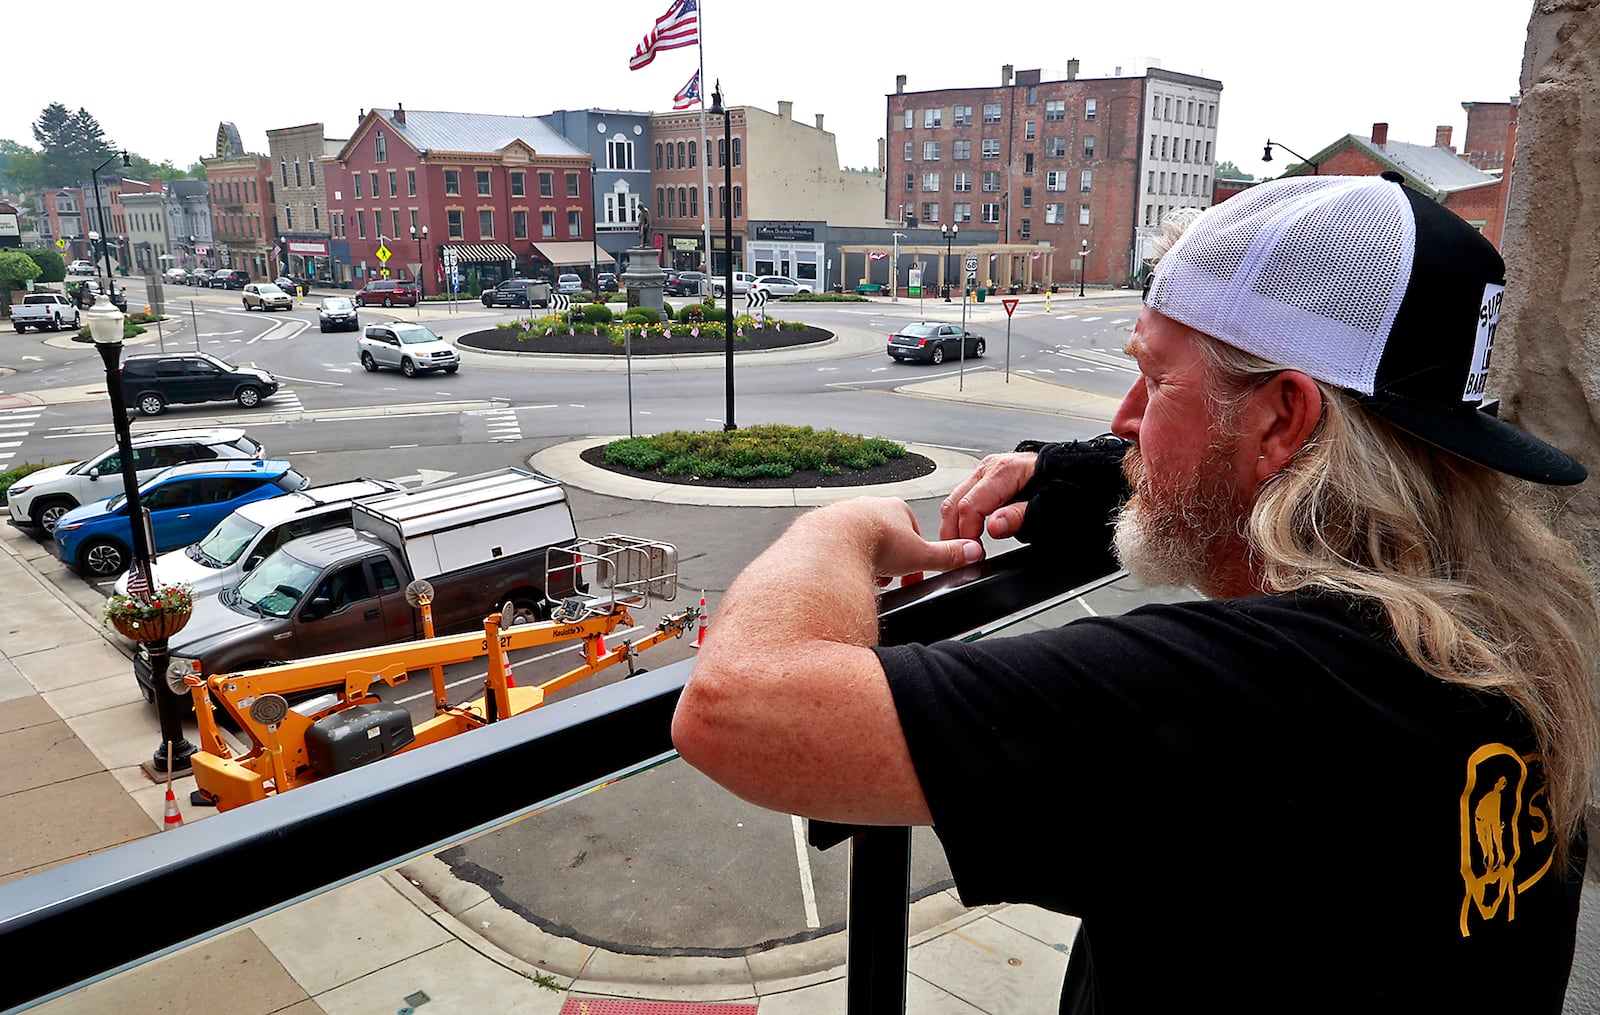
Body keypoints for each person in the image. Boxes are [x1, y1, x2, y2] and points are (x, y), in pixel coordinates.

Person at [672, 175, 1599, 1012]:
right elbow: (1229, 475)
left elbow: (736, 708)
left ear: (1282, 417)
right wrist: (1095, 475)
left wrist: (840, 525)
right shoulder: (1502, 629)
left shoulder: (1258, 699)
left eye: (1154, 379)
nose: (1122, 417)